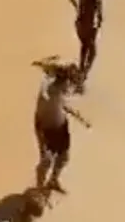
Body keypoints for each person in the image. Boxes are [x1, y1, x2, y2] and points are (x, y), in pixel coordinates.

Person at [34, 64, 88, 194]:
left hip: (61, 127)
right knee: (46, 161)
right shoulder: (46, 94)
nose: (70, 88)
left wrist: (77, 116)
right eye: (69, 84)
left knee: (64, 157)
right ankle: (39, 189)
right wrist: (41, 142)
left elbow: (62, 103)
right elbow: (38, 119)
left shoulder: (60, 89)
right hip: (47, 129)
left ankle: (53, 180)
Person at [65, 0, 102, 85]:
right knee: (93, 52)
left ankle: (81, 68)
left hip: (79, 26)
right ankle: (83, 73)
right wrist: (97, 28)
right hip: (89, 27)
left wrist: (77, 6)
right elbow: (100, 17)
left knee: (84, 46)